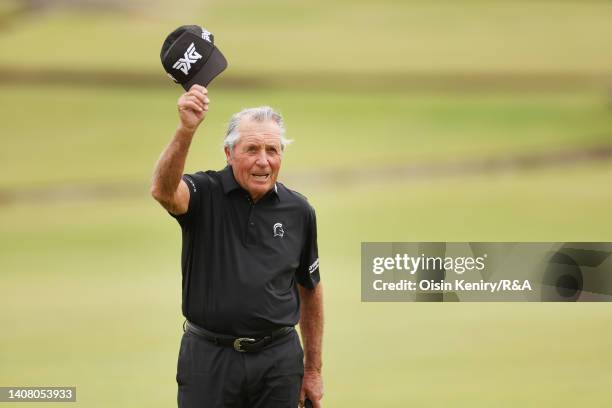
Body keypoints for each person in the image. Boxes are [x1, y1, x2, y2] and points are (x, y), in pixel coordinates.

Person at [150, 84, 324, 408]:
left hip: (278, 364)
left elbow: (310, 288)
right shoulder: (203, 193)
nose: (263, 161)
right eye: (252, 149)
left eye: (272, 150)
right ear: (229, 153)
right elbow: (163, 191)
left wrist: (312, 370)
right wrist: (186, 130)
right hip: (209, 361)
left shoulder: (299, 211)